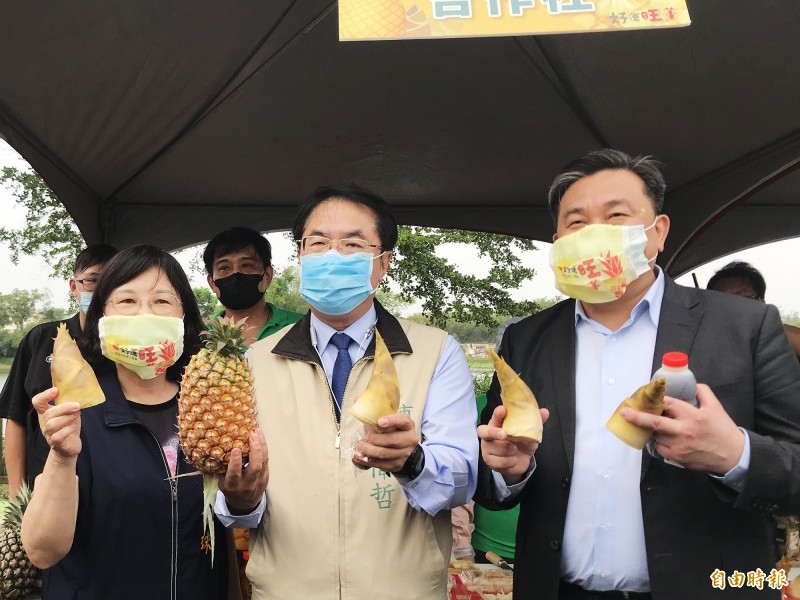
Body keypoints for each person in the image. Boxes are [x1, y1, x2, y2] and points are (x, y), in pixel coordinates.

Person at [476, 149, 800, 600]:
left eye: (616, 216)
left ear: (658, 231)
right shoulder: (526, 340)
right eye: (577, 223)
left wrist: (734, 454)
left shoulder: (746, 327)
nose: (596, 234)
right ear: (558, 241)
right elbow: (490, 479)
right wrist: (509, 471)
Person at [216, 186, 479, 600]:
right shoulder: (255, 362)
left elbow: (463, 479)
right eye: (317, 243)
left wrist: (412, 462)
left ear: (382, 263)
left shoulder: (435, 352)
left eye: (352, 243)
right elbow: (236, 504)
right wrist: (240, 501)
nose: (332, 255)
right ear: (300, 256)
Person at [21, 245, 261, 600]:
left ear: (184, 317)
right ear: (102, 314)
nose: (144, 314)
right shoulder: (72, 412)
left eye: (162, 301)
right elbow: (42, 551)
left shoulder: (213, 404)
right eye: (127, 301)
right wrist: (62, 456)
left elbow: (223, 527)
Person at [0, 244, 117, 498]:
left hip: (114, 495)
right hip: (46, 491)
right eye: (93, 281)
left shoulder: (132, 348)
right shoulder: (40, 338)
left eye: (114, 282)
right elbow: (17, 418)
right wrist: (16, 494)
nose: (102, 292)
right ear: (74, 286)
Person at [204, 226, 304, 341]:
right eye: (225, 268)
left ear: (267, 275)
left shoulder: (304, 327)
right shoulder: (198, 340)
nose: (236, 274)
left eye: (246, 265)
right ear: (211, 282)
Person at [707, 261, 800, 359]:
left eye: (743, 299)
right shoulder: (705, 345)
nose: (733, 307)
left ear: (761, 304)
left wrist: (769, 327)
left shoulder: (780, 341)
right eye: (722, 301)